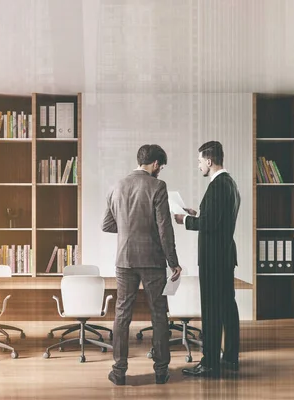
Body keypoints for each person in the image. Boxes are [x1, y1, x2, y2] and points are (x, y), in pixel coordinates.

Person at [102, 144, 182, 386]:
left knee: (122, 314)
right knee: (158, 314)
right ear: (156, 164)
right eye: (162, 167)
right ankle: (160, 371)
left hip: (124, 260)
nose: (161, 171)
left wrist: (129, 228)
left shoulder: (117, 185)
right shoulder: (157, 186)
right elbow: (164, 229)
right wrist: (174, 262)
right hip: (152, 260)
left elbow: (106, 225)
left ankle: (119, 371)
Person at [174, 140, 241, 378]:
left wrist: (186, 221)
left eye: (200, 161)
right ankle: (231, 358)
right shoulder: (230, 184)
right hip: (224, 255)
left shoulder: (217, 186)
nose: (199, 165)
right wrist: (197, 214)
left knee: (211, 311)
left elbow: (210, 224)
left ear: (209, 161)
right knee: (228, 308)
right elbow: (217, 219)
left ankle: (210, 363)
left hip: (213, 259)